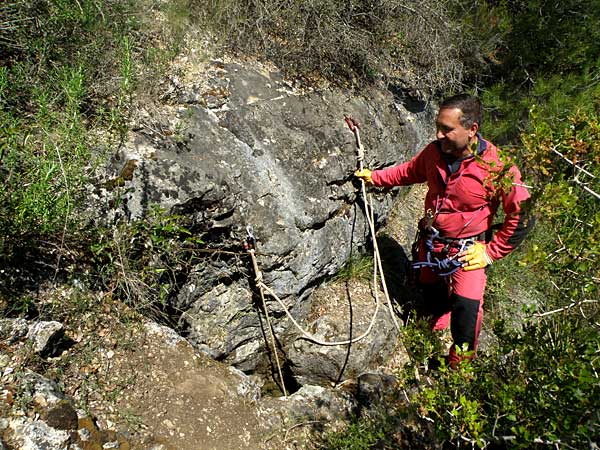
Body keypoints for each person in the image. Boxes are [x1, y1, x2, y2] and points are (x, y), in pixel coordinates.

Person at [355, 94, 534, 368]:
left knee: (467, 310)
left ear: (472, 129)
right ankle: (435, 325)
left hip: (467, 251)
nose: (439, 134)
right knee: (429, 291)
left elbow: (523, 213)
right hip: (432, 244)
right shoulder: (434, 152)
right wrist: (375, 177)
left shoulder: (498, 166)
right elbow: (410, 172)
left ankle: (457, 367)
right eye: (438, 126)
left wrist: (490, 253)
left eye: (447, 129)